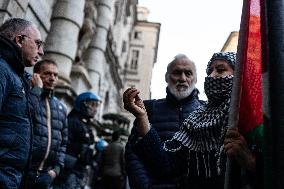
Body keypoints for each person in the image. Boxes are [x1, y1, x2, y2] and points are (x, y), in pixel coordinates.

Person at [123, 52, 260, 189]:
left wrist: (251, 162)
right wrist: (142, 118)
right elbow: (166, 164)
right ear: (167, 77)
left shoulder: (254, 119)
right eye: (209, 71)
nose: (212, 76)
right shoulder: (196, 121)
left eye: (220, 70)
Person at [125, 54, 203, 188]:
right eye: (177, 73)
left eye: (188, 73)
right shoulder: (148, 109)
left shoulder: (207, 111)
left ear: (195, 78)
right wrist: (144, 186)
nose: (182, 78)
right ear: (167, 77)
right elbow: (133, 154)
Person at [0, 18, 44, 188]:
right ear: (19, 40)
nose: (41, 52)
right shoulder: (3, 70)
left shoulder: (18, 74)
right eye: (38, 43)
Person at [24, 59, 68, 189]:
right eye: (48, 74)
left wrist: (56, 170)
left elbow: (63, 142)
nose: (52, 78)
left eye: (55, 75)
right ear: (36, 75)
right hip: (24, 172)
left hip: (46, 176)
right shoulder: (28, 96)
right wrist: (36, 90)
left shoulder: (61, 107)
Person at [58, 92, 100, 189]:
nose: (95, 109)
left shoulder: (86, 124)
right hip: (69, 171)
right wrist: (73, 163)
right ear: (82, 104)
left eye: (96, 106)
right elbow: (63, 145)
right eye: (92, 105)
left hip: (81, 170)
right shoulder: (72, 121)